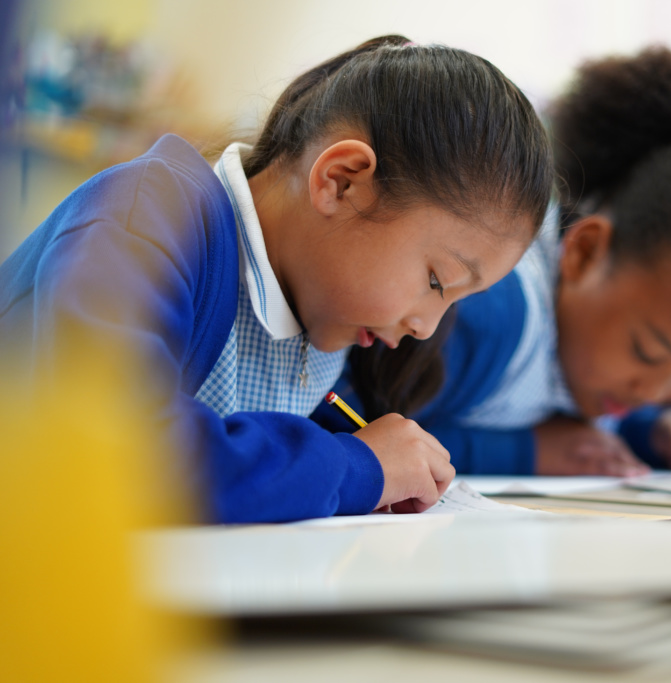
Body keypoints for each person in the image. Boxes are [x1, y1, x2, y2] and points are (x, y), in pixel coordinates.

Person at [0, 35, 553, 521]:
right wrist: (356, 466)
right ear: (341, 182)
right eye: (437, 281)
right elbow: (112, 457)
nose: (427, 328)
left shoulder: (319, 316)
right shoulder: (143, 218)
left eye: (455, 302)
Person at [319, 47, 671, 476]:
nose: (653, 392)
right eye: (647, 353)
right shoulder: (488, 318)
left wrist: (652, 435)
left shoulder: (599, 366)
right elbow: (344, 423)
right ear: (584, 253)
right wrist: (529, 451)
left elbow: (588, 426)